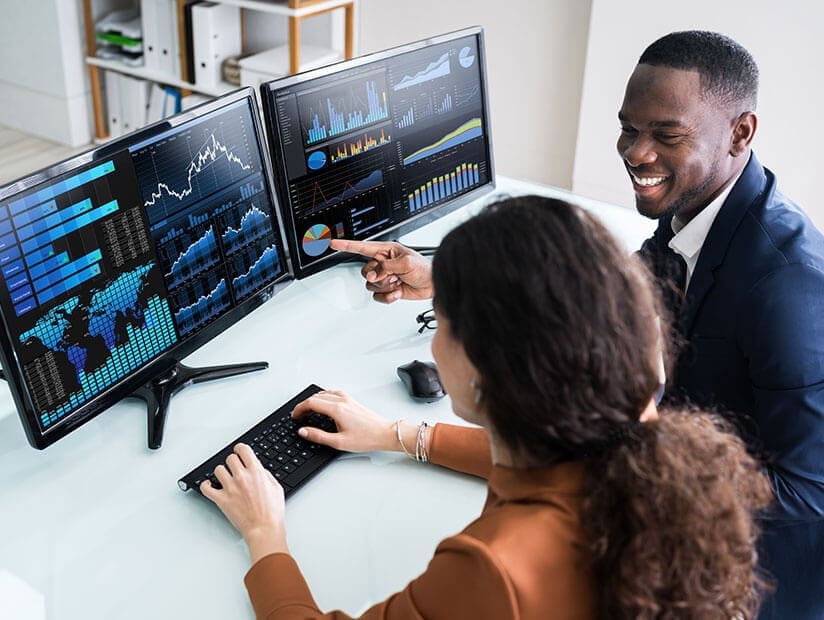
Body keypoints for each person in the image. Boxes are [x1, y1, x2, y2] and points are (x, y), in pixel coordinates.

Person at [332, 31, 824, 619]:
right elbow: (597, 299)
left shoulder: (789, 287)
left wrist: (640, 475)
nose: (637, 153)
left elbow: (810, 493)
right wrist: (452, 282)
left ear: (740, 132)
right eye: (628, 128)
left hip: (740, 586)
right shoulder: (695, 213)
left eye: (666, 135)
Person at [201, 196, 771, 619]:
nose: (431, 343)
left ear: (489, 365)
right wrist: (400, 435)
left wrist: (265, 536)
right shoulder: (641, 430)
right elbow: (564, 466)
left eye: (443, 324)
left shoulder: (493, 567)